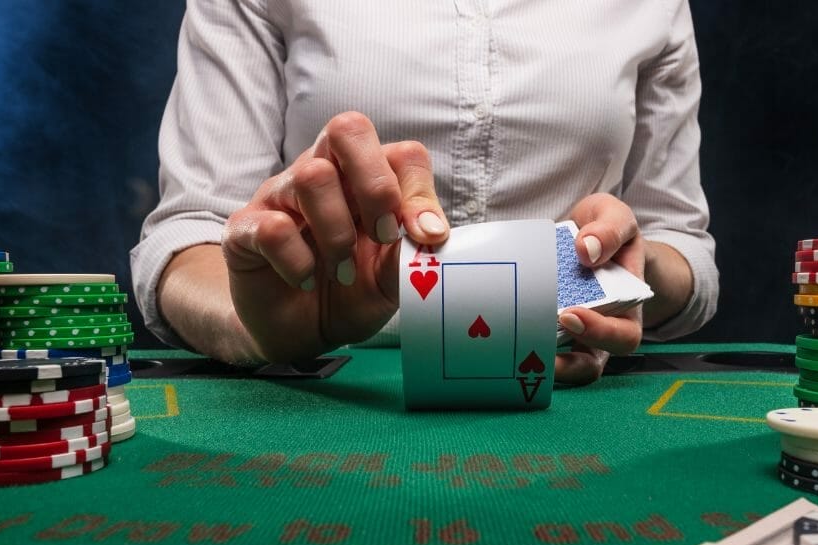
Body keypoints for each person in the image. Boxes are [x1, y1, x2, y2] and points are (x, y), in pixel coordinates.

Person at [131, 0, 719, 385]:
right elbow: (191, 232)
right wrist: (254, 326)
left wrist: (625, 272)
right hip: (321, 383)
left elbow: (680, 245)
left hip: (565, 380)